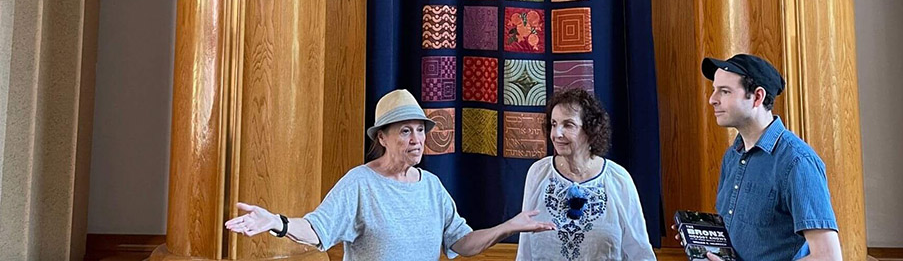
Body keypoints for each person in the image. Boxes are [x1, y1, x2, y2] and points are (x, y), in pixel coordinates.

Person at [225, 89, 554, 259]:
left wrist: (508, 227)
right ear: (381, 138)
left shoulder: (432, 188)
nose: (416, 139)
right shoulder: (360, 182)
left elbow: (461, 243)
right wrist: (276, 223)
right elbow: (317, 229)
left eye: (420, 130)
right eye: (405, 131)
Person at [697, 54, 843, 261]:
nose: (712, 99)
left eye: (725, 91)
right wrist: (695, 237)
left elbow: (828, 257)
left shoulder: (798, 162)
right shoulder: (732, 156)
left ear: (757, 97)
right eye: (714, 90)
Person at [516, 87, 655, 261]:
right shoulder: (538, 173)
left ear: (590, 130)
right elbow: (525, 249)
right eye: (553, 124)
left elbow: (640, 252)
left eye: (568, 125)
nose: (556, 134)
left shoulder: (618, 178)